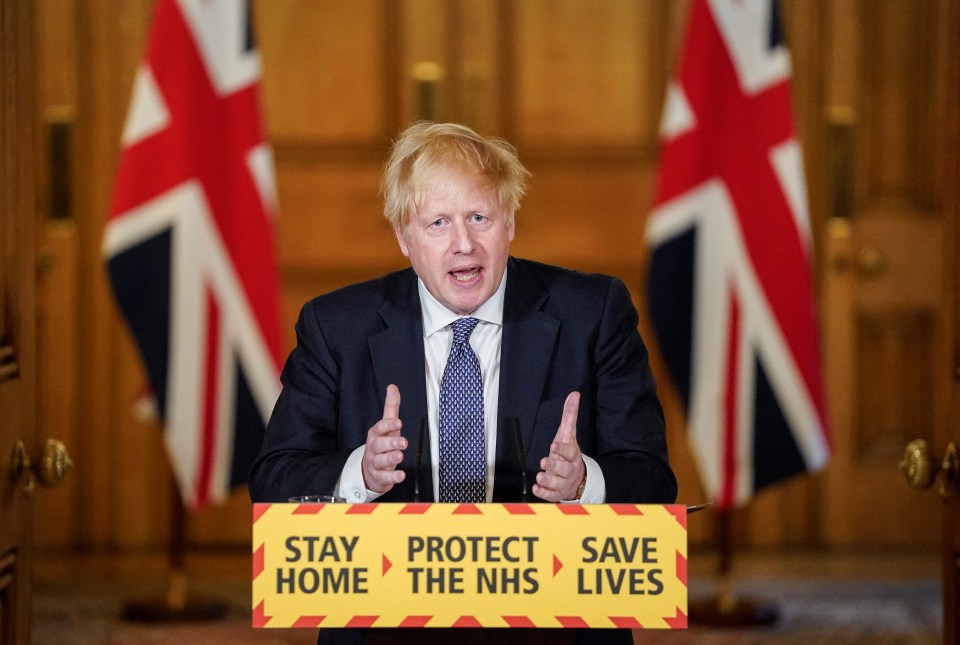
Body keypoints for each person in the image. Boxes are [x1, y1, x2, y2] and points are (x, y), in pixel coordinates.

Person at [249, 122, 677, 645]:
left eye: (480, 217)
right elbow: (273, 482)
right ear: (404, 238)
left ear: (510, 222)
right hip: (387, 621)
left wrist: (584, 483)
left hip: (552, 618)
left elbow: (654, 481)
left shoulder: (594, 314)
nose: (464, 244)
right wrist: (357, 473)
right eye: (438, 223)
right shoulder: (336, 326)